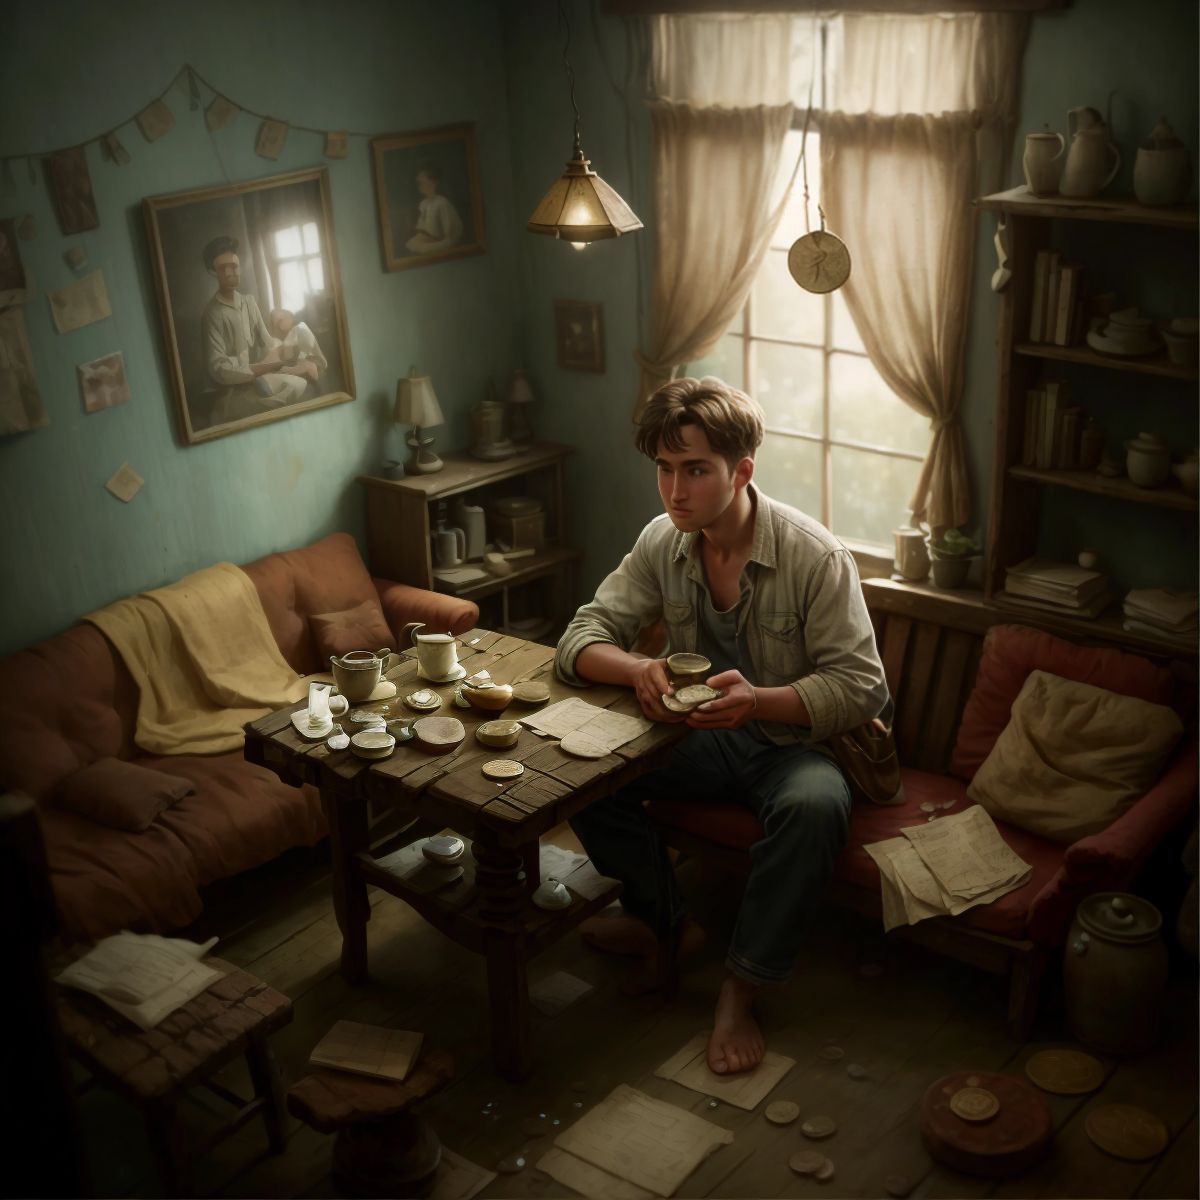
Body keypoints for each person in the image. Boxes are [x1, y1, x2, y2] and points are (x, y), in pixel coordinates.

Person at [555, 375, 891, 1076]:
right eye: (664, 469)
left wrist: (761, 700)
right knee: (580, 767)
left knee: (814, 807)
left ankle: (741, 988)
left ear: (741, 472)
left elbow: (863, 687)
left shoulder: (814, 556)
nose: (675, 491)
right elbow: (581, 636)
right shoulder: (663, 541)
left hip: (793, 747)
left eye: (696, 470)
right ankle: (670, 925)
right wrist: (633, 670)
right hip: (695, 740)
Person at [199, 236, 310, 425]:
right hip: (235, 389)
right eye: (222, 268)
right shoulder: (212, 314)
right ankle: (227, 411)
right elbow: (218, 369)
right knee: (282, 398)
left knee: (299, 384)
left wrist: (281, 351)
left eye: (234, 266)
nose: (230, 273)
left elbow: (267, 341)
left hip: (261, 379)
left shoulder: (248, 302)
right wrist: (257, 371)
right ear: (212, 272)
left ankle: (266, 395)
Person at [404, 165, 463, 255]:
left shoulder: (442, 202)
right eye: (419, 182)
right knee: (410, 244)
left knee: (422, 248)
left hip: (444, 240)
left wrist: (433, 239)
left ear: (433, 182)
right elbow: (422, 228)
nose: (420, 185)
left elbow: (448, 233)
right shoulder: (423, 203)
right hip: (429, 238)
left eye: (422, 181)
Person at [267, 308, 328, 380]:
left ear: (290, 318)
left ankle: (307, 368)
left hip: (316, 361)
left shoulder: (300, 328)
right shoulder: (286, 338)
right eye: (277, 325)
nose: (280, 326)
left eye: (281, 321)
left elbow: (308, 346)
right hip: (299, 363)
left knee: (305, 365)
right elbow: (287, 356)